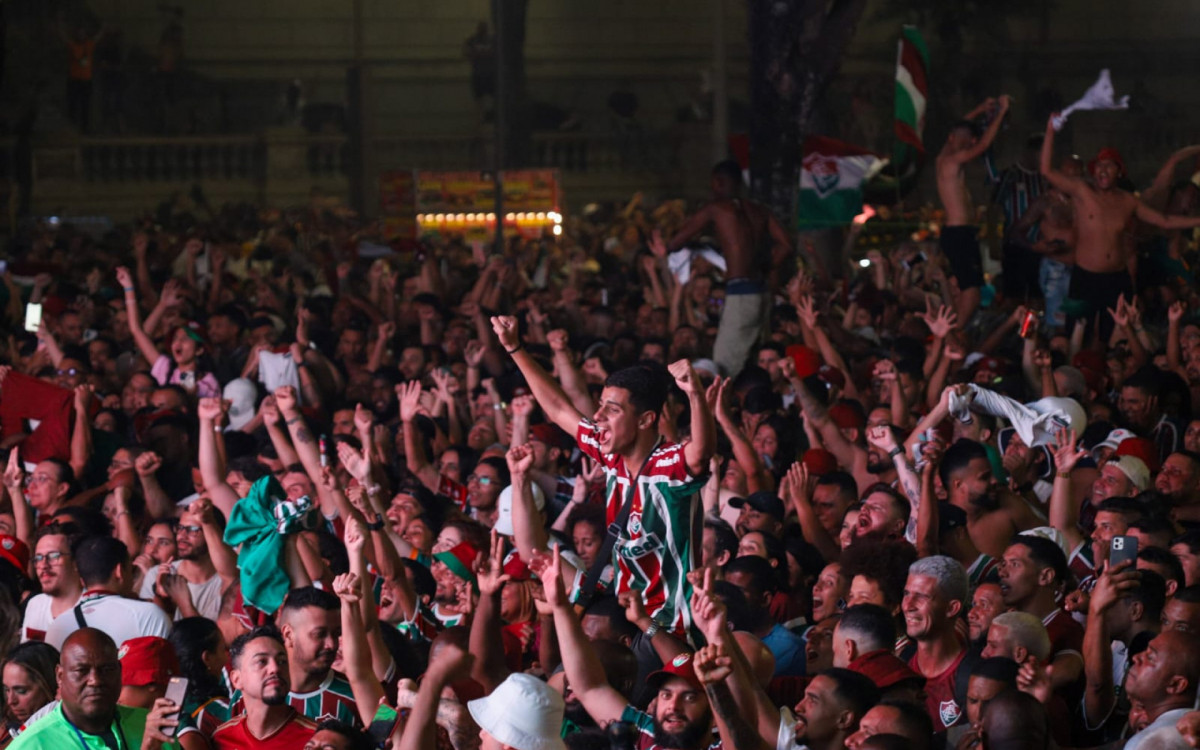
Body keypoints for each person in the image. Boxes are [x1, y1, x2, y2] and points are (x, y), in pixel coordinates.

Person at [492, 315, 715, 638]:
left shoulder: (668, 466)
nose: (597, 417)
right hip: (623, 619)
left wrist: (695, 395)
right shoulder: (609, 454)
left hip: (673, 627)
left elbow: (701, 453)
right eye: (600, 406)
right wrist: (515, 348)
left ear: (645, 420)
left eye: (611, 410)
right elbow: (558, 409)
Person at [1041, 116, 1200, 340]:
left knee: (1118, 334)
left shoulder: (1128, 201)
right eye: (1099, 166)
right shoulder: (1082, 191)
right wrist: (1050, 131)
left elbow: (1164, 220)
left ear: (1119, 171)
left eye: (1109, 166)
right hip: (1084, 277)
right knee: (1075, 331)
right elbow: (1047, 170)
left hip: (1117, 278)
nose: (1103, 170)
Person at [651, 160, 794, 377]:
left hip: (741, 293)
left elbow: (677, 242)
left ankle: (724, 410)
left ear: (717, 182)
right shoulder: (760, 210)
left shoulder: (716, 208)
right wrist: (763, 268)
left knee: (725, 367)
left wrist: (666, 248)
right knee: (758, 358)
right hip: (761, 290)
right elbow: (786, 245)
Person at [8, 628, 179, 750]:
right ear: (60, 676)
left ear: (119, 672)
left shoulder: (151, 727)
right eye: (81, 671)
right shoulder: (31, 745)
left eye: (106, 670)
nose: (95, 681)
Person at [936, 96, 1011, 327]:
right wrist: (1001, 113)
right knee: (972, 293)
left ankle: (955, 333)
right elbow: (983, 146)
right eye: (967, 140)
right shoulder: (951, 159)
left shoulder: (944, 155)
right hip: (959, 233)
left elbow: (960, 129)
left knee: (970, 290)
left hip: (961, 232)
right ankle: (955, 336)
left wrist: (979, 108)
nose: (969, 143)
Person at [44, 536, 172, 650]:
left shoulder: (58, 626)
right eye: (130, 570)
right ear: (119, 571)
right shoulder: (148, 615)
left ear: (82, 580)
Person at [901, 556, 975, 732]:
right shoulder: (902, 663)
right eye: (906, 594)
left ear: (952, 608)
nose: (907, 606)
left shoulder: (972, 678)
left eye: (921, 596)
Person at [212, 627, 318, 748]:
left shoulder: (316, 740)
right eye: (261, 661)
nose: (275, 669)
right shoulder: (221, 738)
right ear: (237, 679)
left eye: (282, 661)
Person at [2, 642, 58, 743]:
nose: (11, 701)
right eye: (7, 690)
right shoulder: (6, 728)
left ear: (49, 685)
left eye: (21, 691)